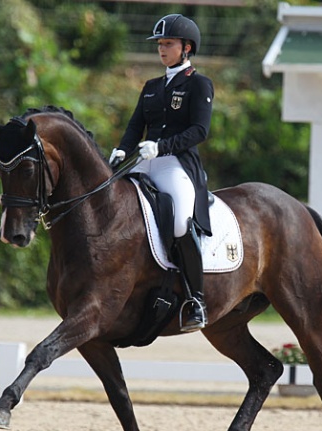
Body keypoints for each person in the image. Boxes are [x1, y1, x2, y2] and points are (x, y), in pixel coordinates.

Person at [109, 14, 214, 333]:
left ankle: (196, 299)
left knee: (181, 219)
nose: (162, 50)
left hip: (176, 162)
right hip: (145, 159)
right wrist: (122, 150)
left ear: (186, 48)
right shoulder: (152, 87)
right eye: (160, 45)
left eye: (168, 44)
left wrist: (163, 146)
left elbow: (199, 131)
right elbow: (134, 127)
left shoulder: (199, 84)